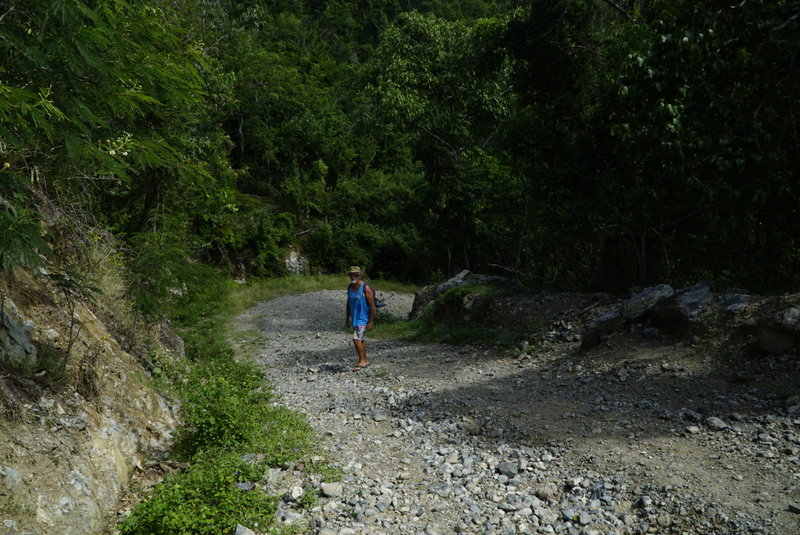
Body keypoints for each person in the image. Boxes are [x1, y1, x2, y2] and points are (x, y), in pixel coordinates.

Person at [345, 266, 376, 371]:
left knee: (356, 339)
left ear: (360, 275)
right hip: (355, 318)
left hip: (363, 318)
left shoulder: (365, 288)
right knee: (361, 339)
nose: (353, 276)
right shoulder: (350, 287)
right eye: (351, 275)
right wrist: (347, 318)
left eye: (356, 275)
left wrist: (371, 321)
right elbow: (348, 303)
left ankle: (361, 361)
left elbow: (372, 306)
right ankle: (365, 360)